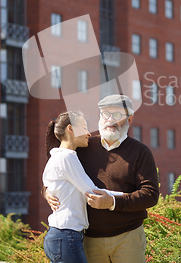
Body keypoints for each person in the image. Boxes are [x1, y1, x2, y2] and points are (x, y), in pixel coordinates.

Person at [46, 94, 159, 263]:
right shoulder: (83, 146)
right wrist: (47, 192)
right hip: (89, 239)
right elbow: (56, 171)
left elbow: (150, 195)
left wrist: (112, 202)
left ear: (129, 119)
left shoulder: (141, 152)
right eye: (106, 114)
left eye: (118, 115)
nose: (110, 120)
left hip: (128, 237)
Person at [42, 111, 123, 263]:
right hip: (66, 235)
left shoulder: (57, 157)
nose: (88, 133)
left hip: (59, 236)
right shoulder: (66, 157)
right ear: (70, 129)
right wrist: (126, 197)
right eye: (84, 127)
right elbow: (92, 192)